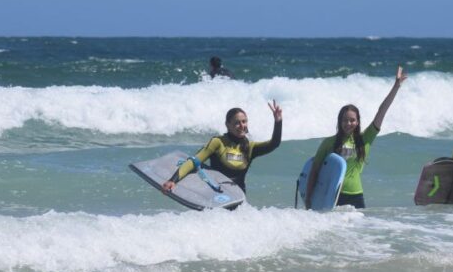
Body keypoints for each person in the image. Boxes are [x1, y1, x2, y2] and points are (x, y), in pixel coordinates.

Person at [305, 66, 408, 209]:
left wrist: (396, 87)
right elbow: (314, 171)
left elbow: (382, 110)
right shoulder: (329, 143)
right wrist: (309, 198)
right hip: (334, 195)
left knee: (359, 232)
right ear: (339, 122)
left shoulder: (365, 139)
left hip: (356, 195)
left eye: (352, 120)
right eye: (344, 120)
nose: (348, 123)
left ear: (358, 121)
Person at [162, 101, 282, 194]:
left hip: (238, 200)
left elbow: (274, 143)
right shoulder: (217, 142)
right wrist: (173, 180)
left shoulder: (250, 147)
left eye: (244, 121)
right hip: (215, 196)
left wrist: (278, 121)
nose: (242, 126)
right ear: (227, 125)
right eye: (237, 122)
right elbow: (194, 161)